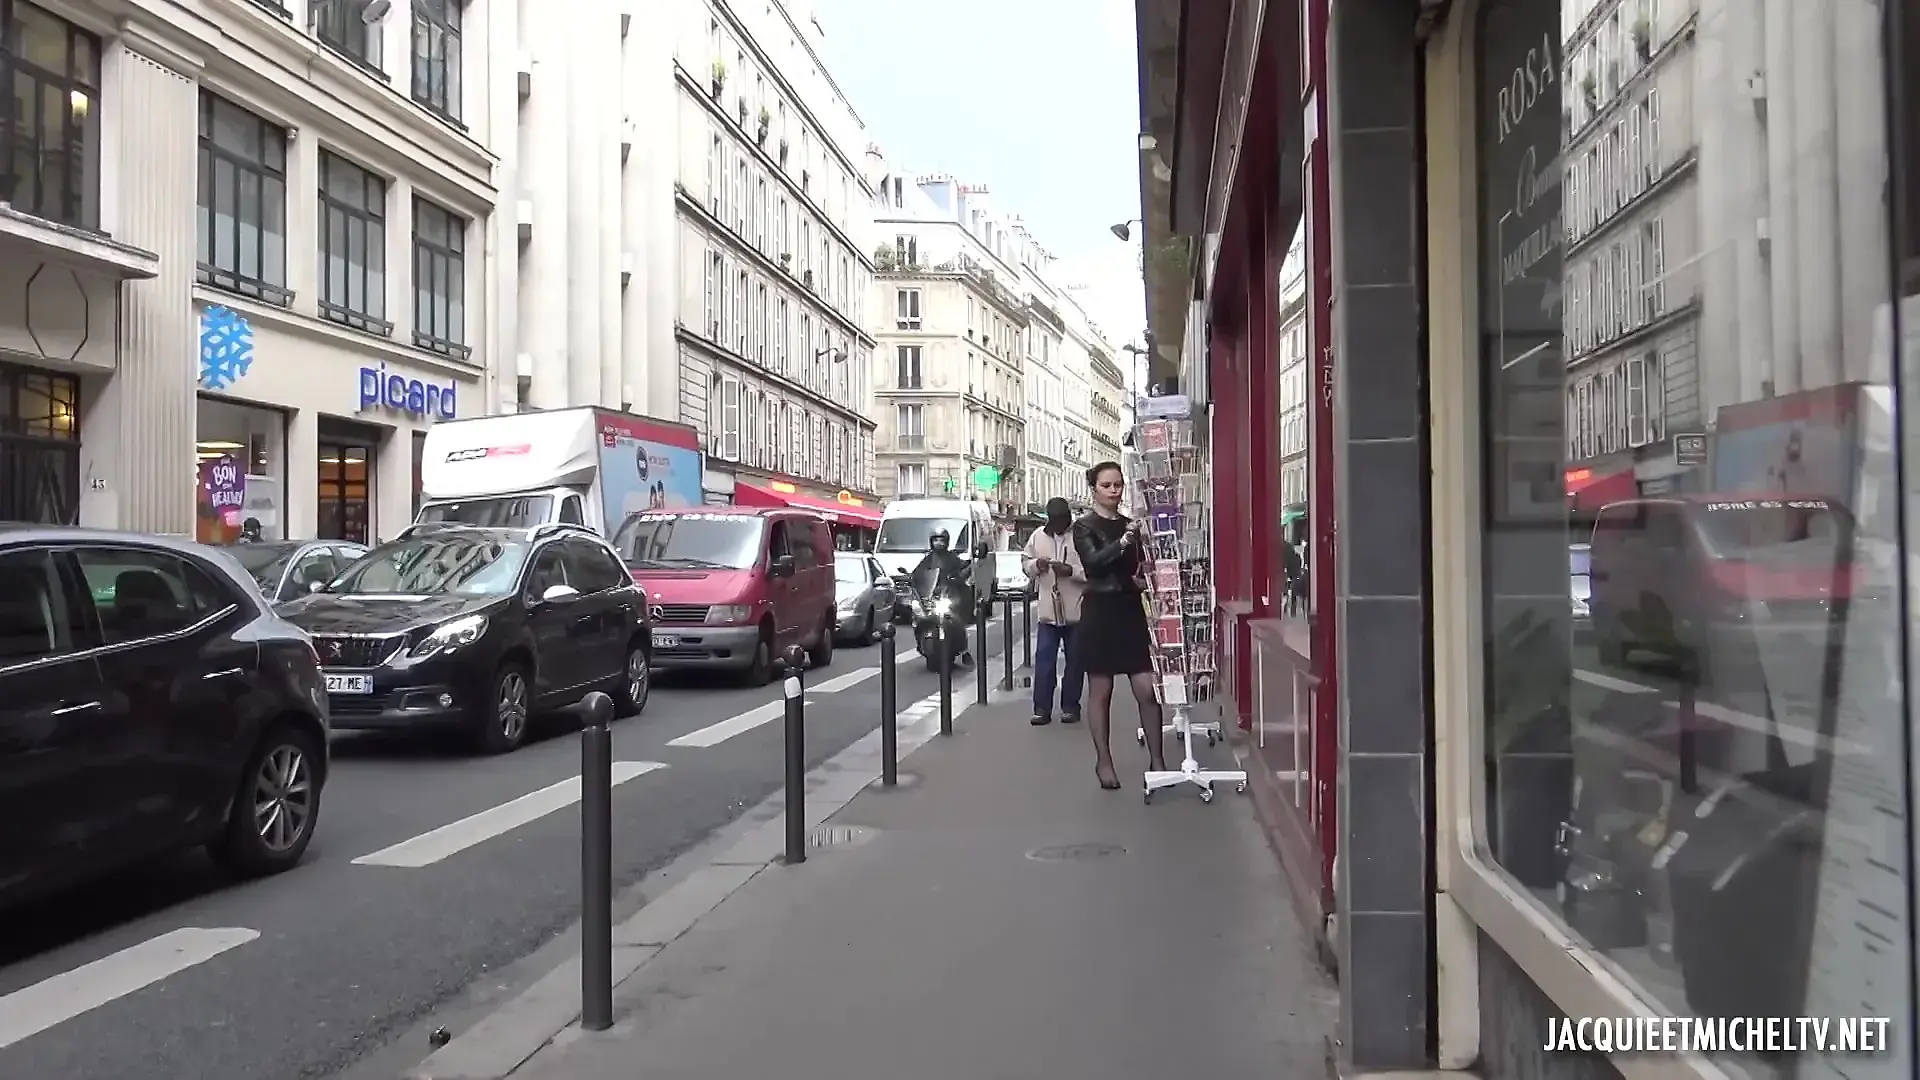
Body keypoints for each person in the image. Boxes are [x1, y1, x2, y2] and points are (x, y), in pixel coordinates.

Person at [1071, 461, 1164, 789]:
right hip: (1100, 611)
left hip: (1129, 609)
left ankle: (1158, 760)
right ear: (1094, 489)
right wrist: (1124, 542)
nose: (1114, 491)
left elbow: (1138, 567)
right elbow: (1093, 564)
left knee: (1146, 688)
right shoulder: (1084, 526)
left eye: (1118, 485)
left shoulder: (1130, 526)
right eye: (1107, 485)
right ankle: (1104, 761)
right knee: (1101, 690)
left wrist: (1143, 576)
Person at [1022, 497, 1085, 726]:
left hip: (1076, 610)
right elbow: (1025, 563)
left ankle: (1070, 707)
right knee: (1044, 662)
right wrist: (1035, 565)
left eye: (1063, 520)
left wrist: (1070, 571)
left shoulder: (1081, 535)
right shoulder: (1038, 535)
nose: (1059, 525)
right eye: (1055, 521)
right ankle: (1041, 709)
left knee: (1075, 663)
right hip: (1048, 612)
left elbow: (1092, 570)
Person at [909, 527, 974, 666]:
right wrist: (910, 578)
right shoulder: (927, 559)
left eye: (941, 540)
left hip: (948, 595)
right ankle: (921, 641)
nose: (938, 543)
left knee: (956, 619)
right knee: (918, 617)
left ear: (946, 542)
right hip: (931, 597)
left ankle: (964, 650)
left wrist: (961, 575)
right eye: (936, 540)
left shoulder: (952, 558)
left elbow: (964, 568)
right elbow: (917, 573)